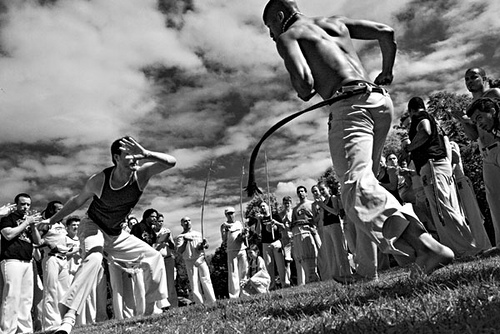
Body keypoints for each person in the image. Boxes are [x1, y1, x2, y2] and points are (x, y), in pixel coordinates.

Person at [262, 0, 454, 276]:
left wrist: (298, 79)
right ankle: (366, 271)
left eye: (270, 27)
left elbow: (305, 86)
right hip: (379, 100)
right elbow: (385, 32)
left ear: (280, 16)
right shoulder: (335, 22)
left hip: (349, 105)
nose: (271, 35)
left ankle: (426, 248)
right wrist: (387, 71)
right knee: (366, 182)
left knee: (355, 185)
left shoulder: (288, 36)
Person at [41, 136, 175, 334]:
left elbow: (172, 162)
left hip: (116, 233)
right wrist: (50, 221)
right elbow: (77, 201)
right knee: (94, 259)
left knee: (154, 257)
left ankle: (150, 312)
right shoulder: (99, 180)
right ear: (116, 158)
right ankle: (68, 319)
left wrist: (147, 154)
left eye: (137, 153)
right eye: (129, 153)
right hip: (93, 226)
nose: (136, 158)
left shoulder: (142, 175)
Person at [405, 97, 479, 257]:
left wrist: (410, 147)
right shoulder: (434, 120)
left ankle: (468, 248)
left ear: (411, 111)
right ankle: (456, 248)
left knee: (443, 208)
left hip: (432, 165)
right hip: (437, 164)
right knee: (444, 208)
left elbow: (425, 130)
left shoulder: (419, 116)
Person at [451, 68, 500, 251]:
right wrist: (463, 121)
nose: (469, 81)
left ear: (484, 78)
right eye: (466, 79)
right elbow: (473, 136)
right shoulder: (471, 107)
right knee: (494, 198)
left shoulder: (493, 94)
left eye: (474, 77)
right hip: (486, 153)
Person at [0, 193, 42, 334]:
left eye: (28, 204)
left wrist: (33, 226)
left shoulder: (29, 221)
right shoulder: (7, 219)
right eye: (22, 204)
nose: (25, 207)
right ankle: (7, 331)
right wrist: (25, 223)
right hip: (11, 260)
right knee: (11, 296)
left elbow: (38, 242)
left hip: (27, 262)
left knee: (26, 298)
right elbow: (8, 234)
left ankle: (25, 331)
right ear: (16, 204)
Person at [450, 140, 491, 251]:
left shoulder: (451, 144)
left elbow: (455, 160)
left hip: (459, 183)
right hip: (452, 184)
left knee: (472, 214)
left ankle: (484, 245)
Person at [39, 200, 72, 332]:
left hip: (63, 259)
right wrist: (47, 244)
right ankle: (50, 325)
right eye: (58, 209)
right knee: (50, 291)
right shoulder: (46, 224)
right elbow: (35, 241)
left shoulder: (62, 225)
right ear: (52, 210)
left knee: (64, 291)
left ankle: (63, 324)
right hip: (51, 258)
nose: (61, 212)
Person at [315, 181, 352, 281]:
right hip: (326, 227)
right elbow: (322, 217)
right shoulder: (323, 202)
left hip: (335, 225)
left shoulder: (333, 198)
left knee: (339, 250)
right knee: (330, 252)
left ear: (328, 189)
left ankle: (346, 273)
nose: (322, 191)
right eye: (320, 190)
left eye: (323, 189)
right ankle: (335, 275)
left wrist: (323, 206)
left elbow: (336, 212)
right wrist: (321, 208)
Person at [176, 216, 216, 305]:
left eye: (189, 220)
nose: (187, 222)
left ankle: (212, 301)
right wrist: (185, 241)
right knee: (194, 282)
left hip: (200, 258)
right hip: (190, 260)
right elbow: (179, 251)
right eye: (185, 221)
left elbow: (205, 246)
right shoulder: (180, 237)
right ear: (182, 224)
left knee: (206, 280)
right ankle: (199, 303)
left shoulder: (198, 234)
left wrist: (204, 244)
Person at [291, 186, 319, 285]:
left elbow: (317, 218)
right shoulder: (295, 209)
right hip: (300, 233)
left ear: (306, 193)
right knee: (305, 256)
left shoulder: (312, 204)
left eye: (302, 191)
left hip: (313, 231)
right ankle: (309, 278)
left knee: (316, 253)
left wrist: (308, 221)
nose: (300, 193)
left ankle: (320, 275)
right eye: (298, 192)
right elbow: (293, 223)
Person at [256, 202, 286, 290]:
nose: (262, 208)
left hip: (276, 242)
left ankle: (284, 284)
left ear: (268, 207)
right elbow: (258, 232)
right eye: (260, 206)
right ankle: (272, 286)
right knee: (269, 265)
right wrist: (258, 221)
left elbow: (283, 227)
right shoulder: (260, 219)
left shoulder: (275, 216)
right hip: (266, 243)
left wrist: (276, 222)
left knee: (280, 264)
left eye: (263, 206)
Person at [220, 206, 248, 298]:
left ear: (234, 214)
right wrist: (225, 231)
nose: (230, 215)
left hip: (242, 249)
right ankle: (234, 295)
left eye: (232, 213)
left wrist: (245, 233)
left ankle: (245, 292)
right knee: (233, 273)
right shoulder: (224, 225)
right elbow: (224, 240)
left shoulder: (239, 223)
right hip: (231, 250)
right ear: (226, 215)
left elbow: (245, 236)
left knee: (244, 271)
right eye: (228, 214)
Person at [154, 213, 178, 308]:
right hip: (157, 260)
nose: (160, 223)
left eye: (162, 221)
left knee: (170, 283)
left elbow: (173, 247)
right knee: (158, 283)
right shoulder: (151, 232)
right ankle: (160, 306)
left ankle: (173, 305)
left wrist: (168, 240)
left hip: (168, 258)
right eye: (159, 221)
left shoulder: (167, 231)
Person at [277, 196, 293, 286]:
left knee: (299, 258)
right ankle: (288, 281)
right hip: (285, 238)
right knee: (287, 261)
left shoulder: (294, 212)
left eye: (288, 202)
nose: (287, 204)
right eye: (285, 203)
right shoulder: (280, 214)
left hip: (294, 236)